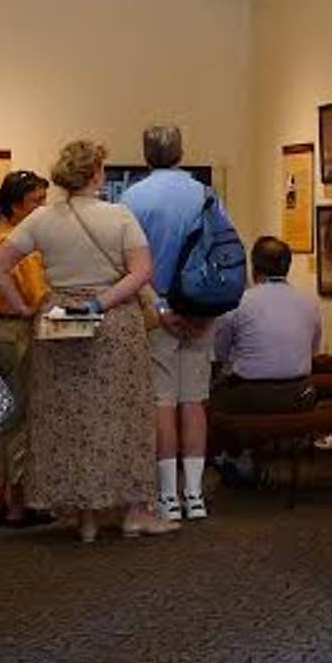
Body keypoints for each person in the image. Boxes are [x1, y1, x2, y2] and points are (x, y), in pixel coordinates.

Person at [0, 140, 172, 542]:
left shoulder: (41, 219)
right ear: (96, 174)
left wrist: (23, 307)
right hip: (113, 322)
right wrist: (100, 302)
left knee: (67, 418)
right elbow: (141, 271)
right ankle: (134, 511)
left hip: (57, 320)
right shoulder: (118, 216)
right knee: (125, 416)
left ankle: (84, 517)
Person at [119, 125, 224, 522]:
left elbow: (128, 261)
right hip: (200, 309)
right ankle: (194, 494)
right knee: (194, 401)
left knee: (161, 402)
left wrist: (160, 310)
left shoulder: (132, 198)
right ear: (182, 152)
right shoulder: (206, 194)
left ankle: (167, 496)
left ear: (145, 154)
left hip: (156, 309)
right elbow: (224, 251)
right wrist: (208, 308)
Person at [0, 170, 51, 525]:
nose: (43, 209)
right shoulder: (21, 247)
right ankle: (19, 500)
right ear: (14, 205)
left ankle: (0, 492)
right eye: (36, 201)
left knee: (6, 417)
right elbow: (38, 295)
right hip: (19, 330)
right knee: (23, 417)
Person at [211, 236, 320, 415]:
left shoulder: (238, 302)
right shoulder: (310, 302)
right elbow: (313, 352)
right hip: (300, 395)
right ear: (287, 267)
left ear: (254, 268)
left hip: (251, 397)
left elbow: (219, 353)